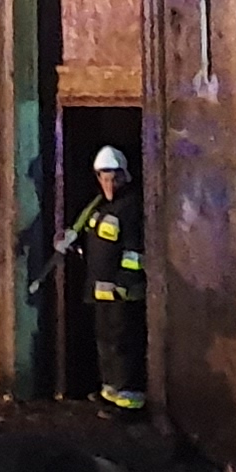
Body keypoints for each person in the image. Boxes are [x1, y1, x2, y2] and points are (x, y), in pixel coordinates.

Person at [54, 144, 149, 416]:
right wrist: (71, 242)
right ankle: (111, 392)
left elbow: (134, 251)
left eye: (112, 178)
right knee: (105, 342)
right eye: (103, 178)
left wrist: (125, 281)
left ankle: (130, 402)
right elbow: (95, 244)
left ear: (123, 176)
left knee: (123, 344)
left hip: (123, 292)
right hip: (100, 290)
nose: (108, 184)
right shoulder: (99, 208)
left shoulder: (130, 206)